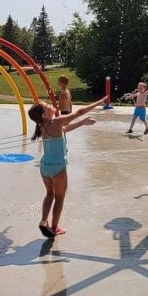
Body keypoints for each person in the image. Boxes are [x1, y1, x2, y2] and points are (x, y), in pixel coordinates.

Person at [27, 94, 109, 237]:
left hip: (44, 166)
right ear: (44, 114)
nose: (50, 105)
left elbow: (64, 129)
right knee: (59, 197)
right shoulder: (56, 122)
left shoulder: (42, 126)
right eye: (47, 106)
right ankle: (54, 228)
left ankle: (43, 221)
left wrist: (82, 123)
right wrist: (99, 102)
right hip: (57, 166)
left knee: (50, 194)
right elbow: (79, 111)